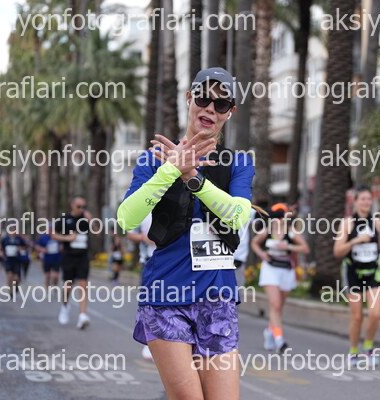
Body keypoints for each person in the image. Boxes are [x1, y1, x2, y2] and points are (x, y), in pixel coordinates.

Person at [117, 67, 254, 399]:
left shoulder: (238, 163)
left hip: (217, 299)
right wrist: (170, 170)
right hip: (166, 297)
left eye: (221, 104)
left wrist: (192, 176)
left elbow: (237, 216)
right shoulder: (155, 159)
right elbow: (126, 219)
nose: (210, 109)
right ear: (189, 98)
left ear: (230, 112)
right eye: (203, 99)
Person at [333, 187, 380, 365]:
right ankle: (353, 352)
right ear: (355, 202)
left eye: (369, 199)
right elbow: (337, 251)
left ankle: (369, 349)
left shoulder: (378, 223)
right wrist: (356, 240)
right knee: (357, 316)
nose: (366, 202)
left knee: (375, 314)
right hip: (353, 272)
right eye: (363, 199)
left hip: (372, 272)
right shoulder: (348, 224)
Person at [251, 205, 310, 353]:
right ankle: (280, 341)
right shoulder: (267, 231)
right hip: (270, 269)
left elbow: (305, 248)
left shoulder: (291, 232)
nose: (280, 219)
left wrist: (288, 247)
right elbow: (254, 243)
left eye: (282, 216)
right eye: (277, 217)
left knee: (278, 307)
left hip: (286, 269)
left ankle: (270, 332)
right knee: (275, 304)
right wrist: (261, 254)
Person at [52, 196, 95, 329]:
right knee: (68, 286)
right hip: (69, 256)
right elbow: (53, 234)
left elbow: (98, 233)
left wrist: (91, 220)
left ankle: (82, 315)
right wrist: (67, 238)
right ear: (72, 206)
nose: (82, 209)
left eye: (84, 207)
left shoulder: (86, 219)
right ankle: (65, 306)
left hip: (82, 257)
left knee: (83, 285)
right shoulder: (64, 219)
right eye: (79, 206)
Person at [126, 213, 156, 361]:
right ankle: (149, 341)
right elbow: (130, 234)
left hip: (174, 262)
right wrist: (144, 238)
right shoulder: (144, 209)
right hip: (149, 261)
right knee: (149, 303)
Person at [0, 227, 26, 296]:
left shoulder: (19, 239)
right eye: (11, 230)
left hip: (16, 260)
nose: (13, 232)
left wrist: (20, 248)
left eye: (14, 230)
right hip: (8, 260)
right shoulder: (5, 239)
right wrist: (0, 252)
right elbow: (0, 247)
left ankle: (16, 285)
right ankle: (10, 291)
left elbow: (25, 247)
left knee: (16, 278)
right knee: (9, 277)